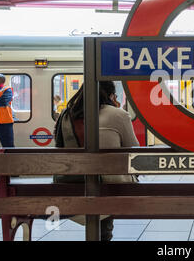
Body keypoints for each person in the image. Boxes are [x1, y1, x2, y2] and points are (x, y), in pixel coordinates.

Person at [53, 81, 139, 241]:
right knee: (109, 177)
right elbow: (134, 149)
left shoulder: (66, 115)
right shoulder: (117, 114)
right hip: (108, 188)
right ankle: (104, 233)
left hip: (72, 185)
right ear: (111, 95)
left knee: (96, 179)